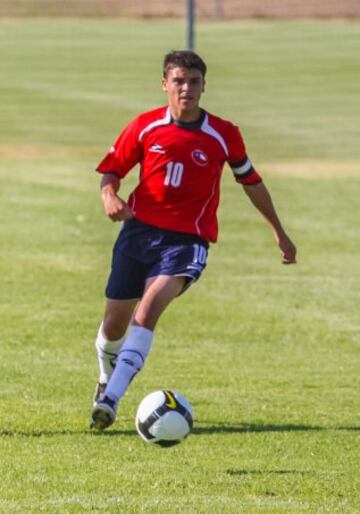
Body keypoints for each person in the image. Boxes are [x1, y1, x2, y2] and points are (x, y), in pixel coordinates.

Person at [90, 50, 296, 430]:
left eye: (194, 82)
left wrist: (279, 232)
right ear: (165, 84)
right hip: (137, 234)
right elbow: (111, 171)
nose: (187, 89)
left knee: (146, 311)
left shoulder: (224, 133)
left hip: (187, 241)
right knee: (113, 327)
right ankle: (106, 376)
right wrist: (110, 197)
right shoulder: (144, 126)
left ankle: (110, 400)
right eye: (179, 81)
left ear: (204, 86)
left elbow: (251, 182)